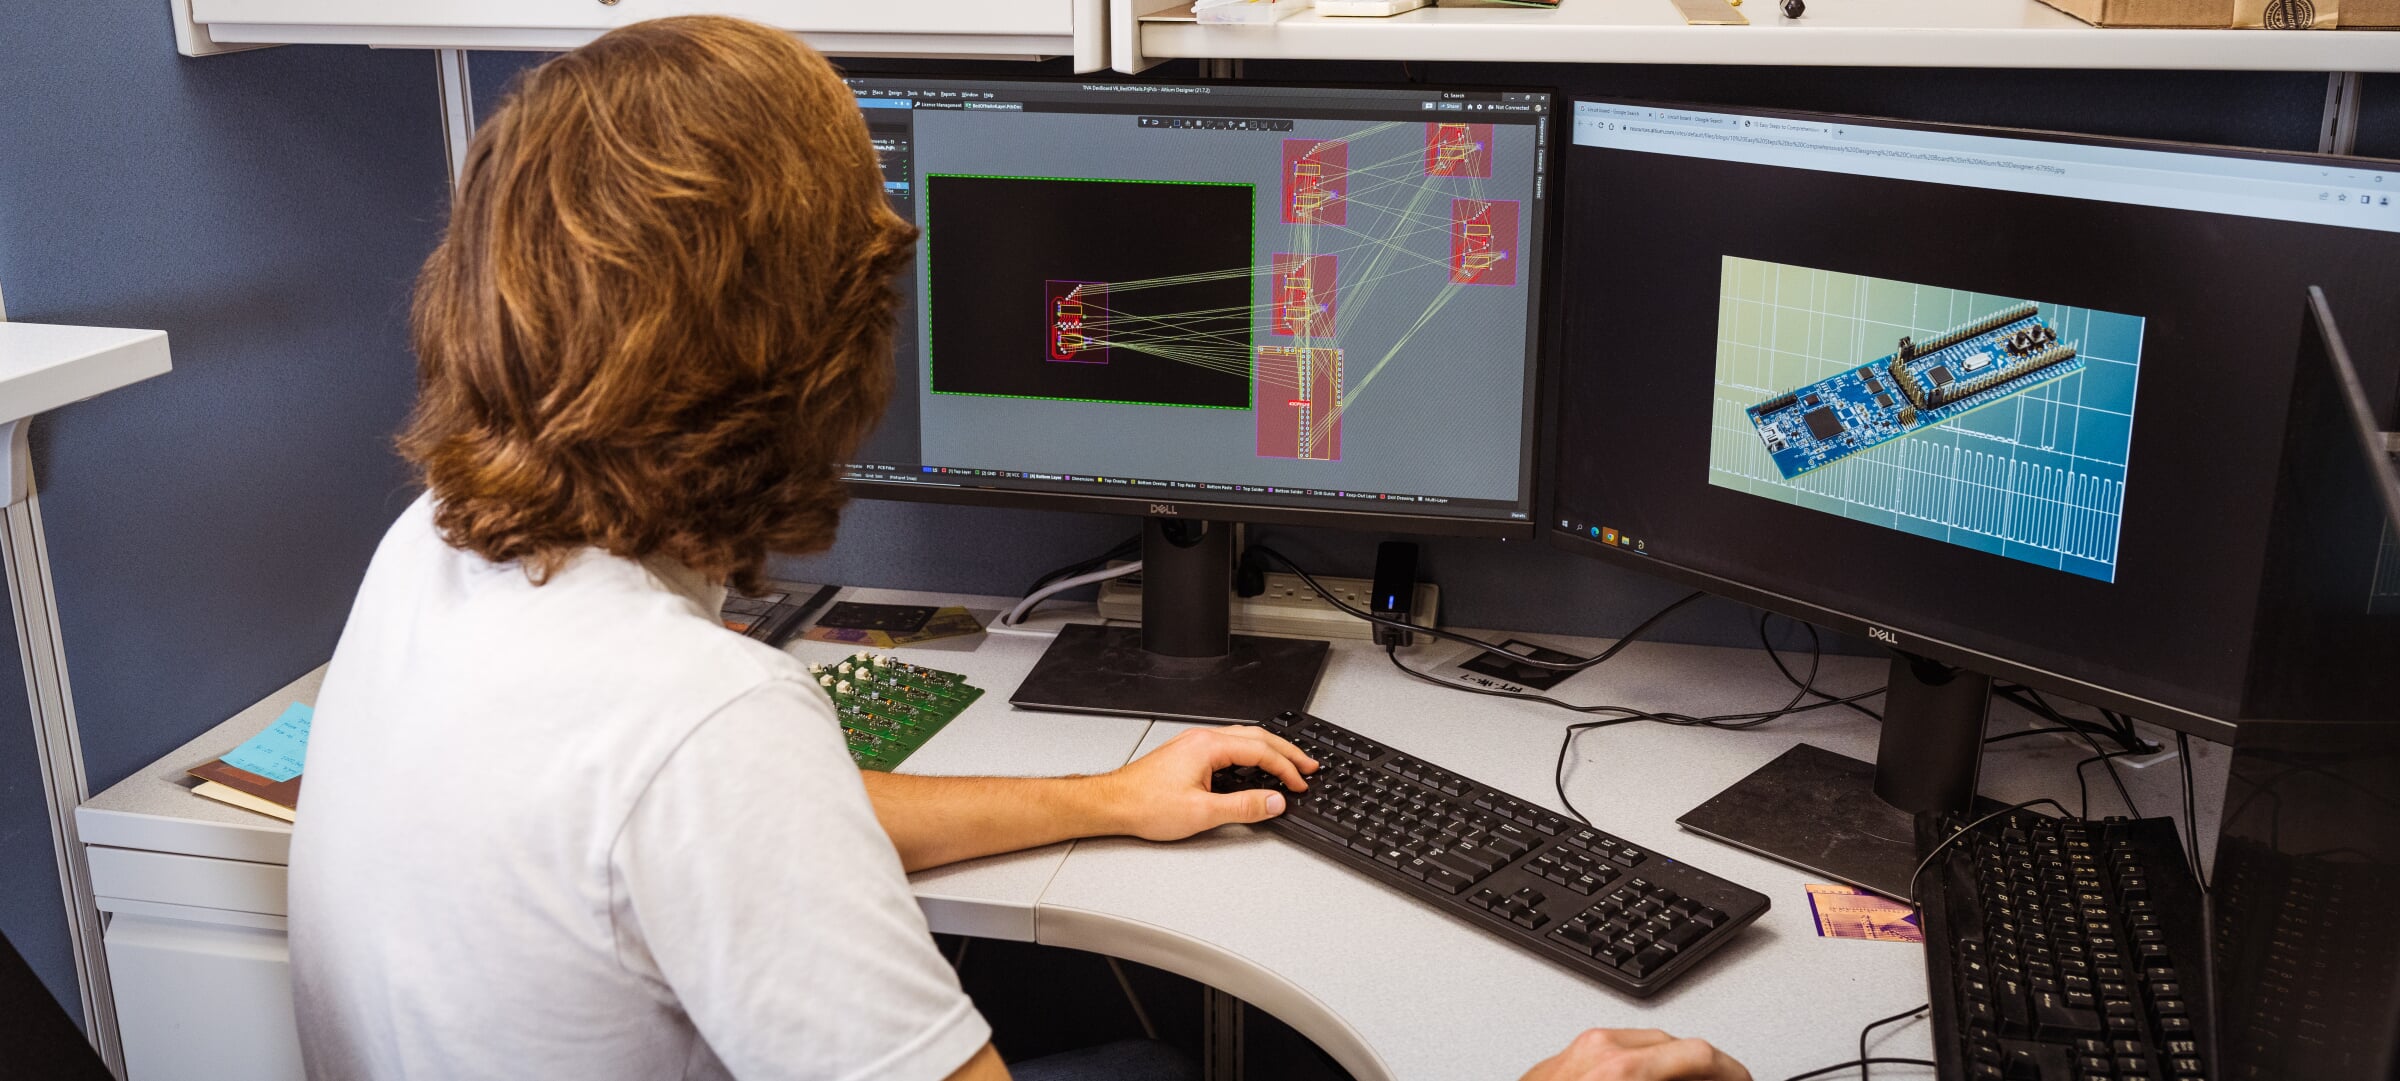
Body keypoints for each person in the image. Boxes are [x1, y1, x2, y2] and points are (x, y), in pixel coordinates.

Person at [283, 15, 1754, 1081]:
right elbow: (718, 796)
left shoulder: (438, 555)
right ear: (814, 346)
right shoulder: (704, 729)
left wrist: (1104, 795)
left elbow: (719, 832)